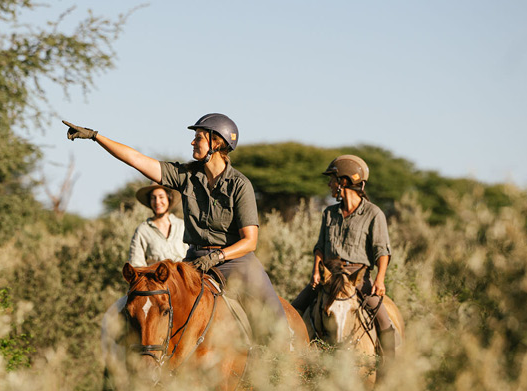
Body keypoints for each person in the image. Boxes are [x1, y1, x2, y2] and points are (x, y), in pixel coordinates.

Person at [63, 114, 286, 330]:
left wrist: (217, 257)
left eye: (198, 137)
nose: (192, 141)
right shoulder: (185, 176)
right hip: (194, 261)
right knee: (152, 301)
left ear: (216, 143)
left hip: (235, 261)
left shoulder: (239, 185)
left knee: (275, 318)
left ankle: (285, 357)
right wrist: (95, 137)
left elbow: (250, 242)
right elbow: (137, 160)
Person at [291, 154, 400, 358]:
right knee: (294, 310)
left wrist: (380, 279)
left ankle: (388, 374)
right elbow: (320, 247)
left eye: (332, 179)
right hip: (329, 276)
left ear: (344, 181)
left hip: (356, 278)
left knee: (385, 323)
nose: (329, 184)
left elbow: (382, 251)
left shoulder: (374, 214)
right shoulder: (329, 213)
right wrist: (316, 270)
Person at [128, 184, 186, 267]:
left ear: (169, 198)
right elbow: (136, 263)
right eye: (153, 198)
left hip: (182, 277)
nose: (157, 202)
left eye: (161, 197)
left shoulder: (182, 226)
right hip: (155, 278)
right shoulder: (143, 230)